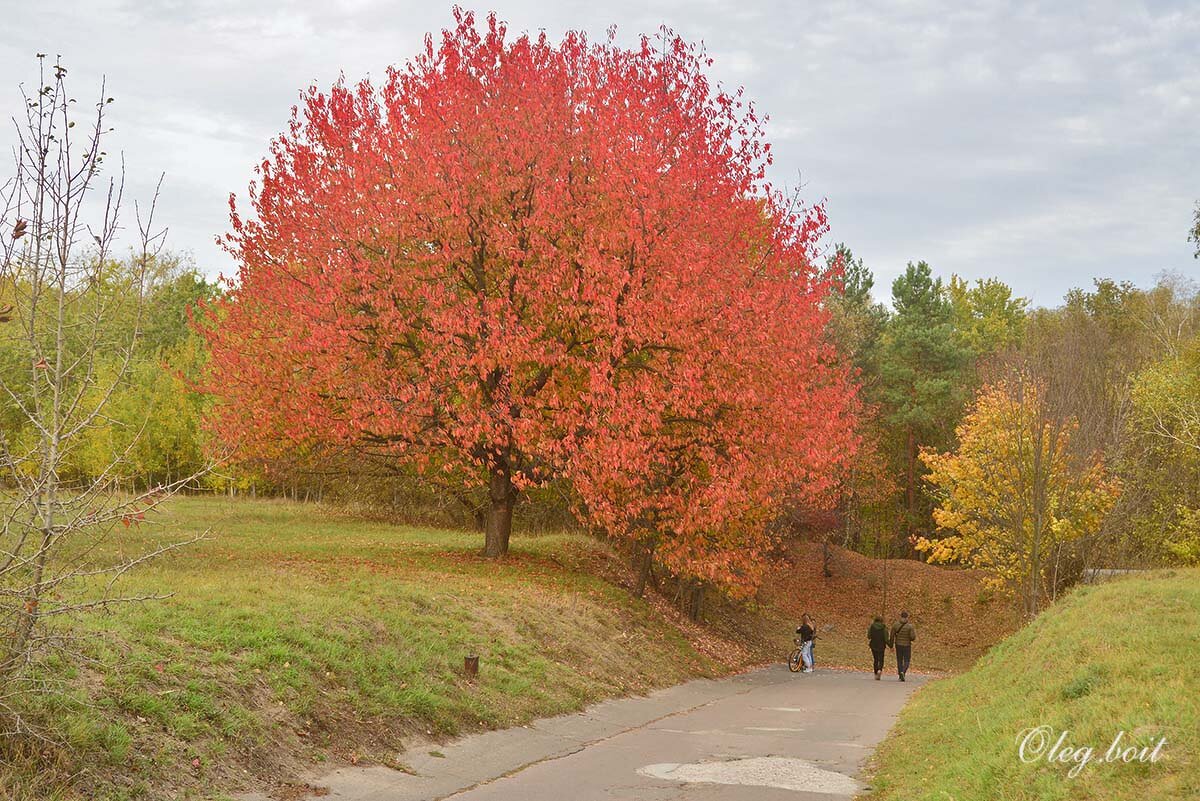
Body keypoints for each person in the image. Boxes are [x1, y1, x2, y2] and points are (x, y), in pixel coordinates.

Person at [890, 611, 916, 681]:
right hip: (907, 645)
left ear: (900, 616)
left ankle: (900, 675)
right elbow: (913, 637)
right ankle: (903, 672)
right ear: (907, 617)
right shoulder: (910, 626)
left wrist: (891, 646)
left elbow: (892, 636)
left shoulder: (895, 625)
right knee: (907, 660)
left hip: (898, 645)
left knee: (899, 660)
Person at [867, 615, 888, 680]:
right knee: (881, 659)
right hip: (881, 645)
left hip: (873, 645)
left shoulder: (872, 627)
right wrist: (890, 645)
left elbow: (869, 636)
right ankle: (880, 669)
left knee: (875, 659)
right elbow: (886, 638)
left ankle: (876, 672)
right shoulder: (884, 628)